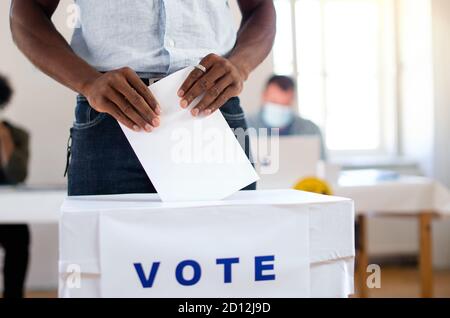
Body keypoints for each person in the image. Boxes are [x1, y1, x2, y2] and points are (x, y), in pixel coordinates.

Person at [10, 0, 276, 196]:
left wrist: (241, 66)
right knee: (110, 263)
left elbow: (260, 8)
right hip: (110, 117)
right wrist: (87, 82)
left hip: (211, 110)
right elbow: (26, 10)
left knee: (228, 257)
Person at [0, 75, 30, 299]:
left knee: (19, 242)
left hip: (10, 211)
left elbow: (17, 175)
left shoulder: (18, 135)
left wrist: (4, 141)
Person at [248, 75, 327, 159]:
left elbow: (321, 166)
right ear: (264, 96)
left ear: (292, 101)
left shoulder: (311, 130)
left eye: (285, 104)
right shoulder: (244, 126)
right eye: (274, 102)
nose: (279, 109)